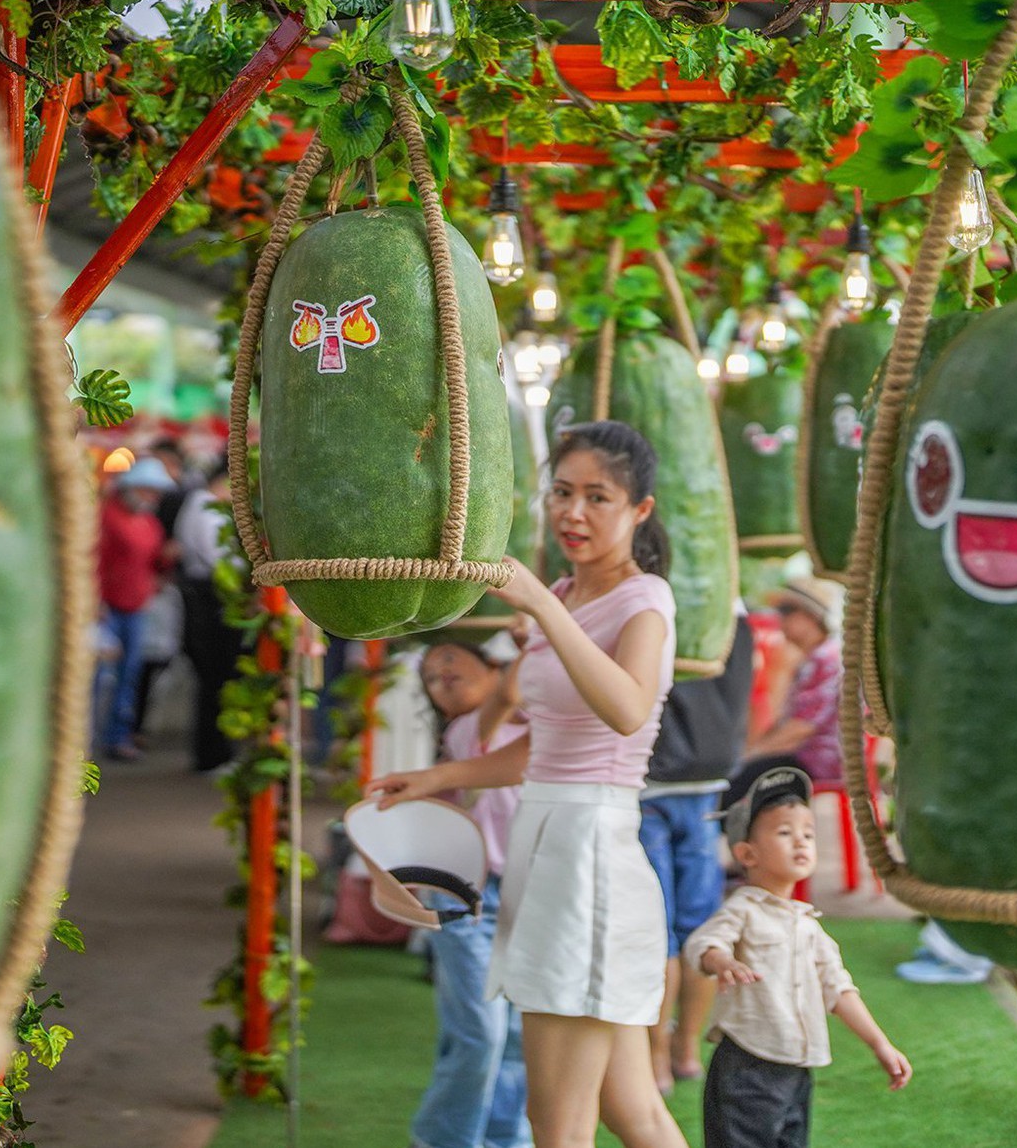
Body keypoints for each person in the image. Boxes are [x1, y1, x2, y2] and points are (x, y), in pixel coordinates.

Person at [369, 420, 688, 1148]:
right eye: (562, 493)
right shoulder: (570, 598)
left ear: (640, 511)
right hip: (550, 846)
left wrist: (541, 605)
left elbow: (628, 709)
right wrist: (439, 777)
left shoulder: (644, 602)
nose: (572, 512)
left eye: (597, 498)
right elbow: (544, 748)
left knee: (556, 1122)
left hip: (589, 855)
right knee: (629, 1113)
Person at [685, 767, 912, 1148]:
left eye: (808, 833)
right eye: (784, 832)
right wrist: (722, 962)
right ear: (747, 854)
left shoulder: (809, 926)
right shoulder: (743, 908)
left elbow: (839, 990)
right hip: (748, 1066)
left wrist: (880, 1044)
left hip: (797, 1069)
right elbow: (705, 944)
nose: (801, 842)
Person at [411, 640, 534, 1148]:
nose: (442, 681)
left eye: (452, 667)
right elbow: (507, 694)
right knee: (480, 1031)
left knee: (517, 1036)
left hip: (524, 889)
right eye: (432, 678)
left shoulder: (532, 728)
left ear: (490, 665)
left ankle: (508, 1138)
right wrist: (537, 638)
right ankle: (445, 1140)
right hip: (464, 895)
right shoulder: (468, 730)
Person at [642, 610, 754, 1093]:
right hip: (709, 776)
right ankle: (686, 1051)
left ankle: (657, 1058)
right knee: (700, 929)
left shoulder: (646, 595)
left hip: (647, 782)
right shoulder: (728, 607)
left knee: (656, 931)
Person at [731, 580, 843, 802]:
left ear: (812, 616)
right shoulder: (815, 658)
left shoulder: (825, 659)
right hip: (805, 760)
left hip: (817, 765)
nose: (779, 617)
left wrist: (750, 756)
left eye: (787, 610)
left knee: (736, 786)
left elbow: (801, 728)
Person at [94, 459, 176, 761]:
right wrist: (95, 600)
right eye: (147, 491)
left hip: (136, 605)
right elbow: (95, 560)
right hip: (107, 607)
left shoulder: (148, 523)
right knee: (99, 676)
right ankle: (87, 740)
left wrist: (166, 560)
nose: (152, 497)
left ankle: (117, 736)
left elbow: (154, 561)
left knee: (128, 674)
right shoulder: (107, 517)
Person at [174, 458, 239, 772]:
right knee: (215, 679)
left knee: (215, 681)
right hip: (209, 600)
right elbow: (218, 557)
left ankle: (215, 752)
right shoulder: (205, 507)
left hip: (209, 597)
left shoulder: (199, 505)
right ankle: (213, 754)